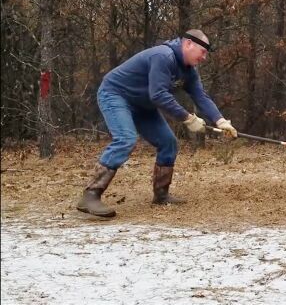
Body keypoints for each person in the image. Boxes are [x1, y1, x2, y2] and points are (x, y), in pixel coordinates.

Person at [76, 29, 237, 218]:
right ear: (188, 44)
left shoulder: (189, 71)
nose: (204, 58)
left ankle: (161, 195)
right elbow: (158, 95)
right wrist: (188, 118)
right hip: (116, 94)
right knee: (126, 139)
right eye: (203, 52)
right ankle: (91, 195)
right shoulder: (164, 56)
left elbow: (201, 96)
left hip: (143, 105)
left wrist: (221, 121)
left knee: (168, 142)